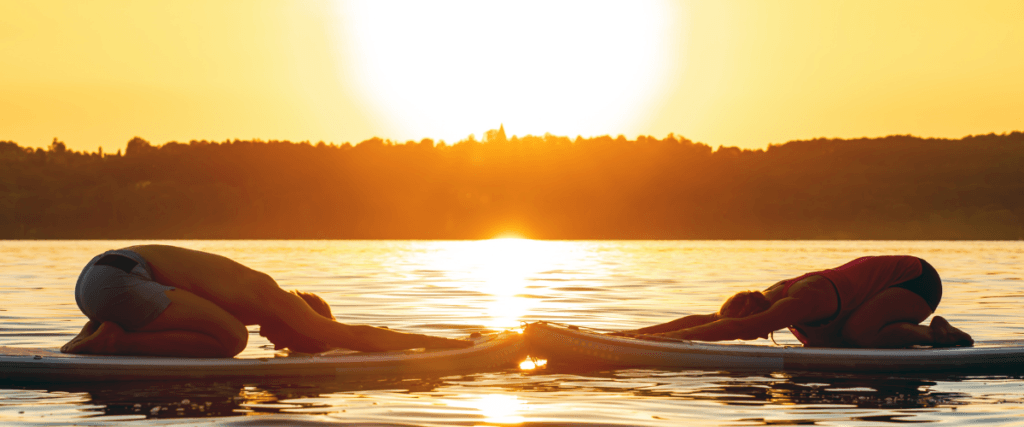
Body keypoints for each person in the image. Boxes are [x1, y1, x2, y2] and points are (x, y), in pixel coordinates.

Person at [61, 245, 472, 357]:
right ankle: (116, 340)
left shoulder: (250, 293)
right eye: (300, 342)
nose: (280, 346)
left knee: (220, 332)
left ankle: (102, 328)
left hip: (99, 282)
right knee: (233, 339)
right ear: (304, 318)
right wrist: (445, 345)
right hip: (118, 280)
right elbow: (356, 335)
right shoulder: (276, 298)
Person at [623, 256, 973, 348]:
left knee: (858, 333)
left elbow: (739, 326)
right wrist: (635, 334)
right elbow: (709, 318)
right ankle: (915, 332)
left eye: (753, 328)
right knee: (839, 338)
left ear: (753, 312)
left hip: (916, 280)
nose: (756, 336)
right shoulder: (764, 297)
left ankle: (936, 334)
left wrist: (667, 344)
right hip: (884, 283)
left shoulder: (801, 300)